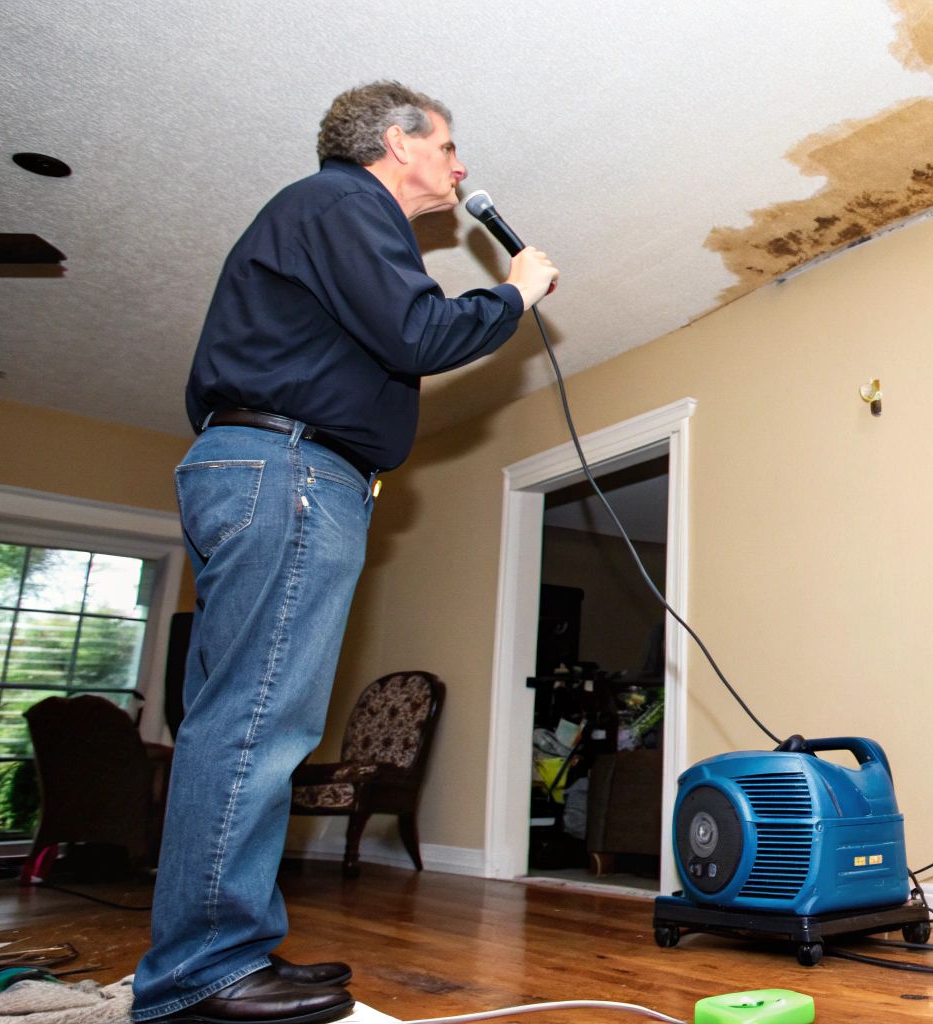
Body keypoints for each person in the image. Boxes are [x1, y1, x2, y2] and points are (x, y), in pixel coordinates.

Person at [132, 81, 558, 1024]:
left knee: (240, 722)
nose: (459, 167)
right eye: (447, 147)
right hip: (285, 471)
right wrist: (515, 293)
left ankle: (217, 955)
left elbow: (381, 343)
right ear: (398, 143)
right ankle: (204, 973)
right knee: (256, 727)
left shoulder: (332, 222)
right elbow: (419, 332)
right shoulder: (340, 201)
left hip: (276, 472)